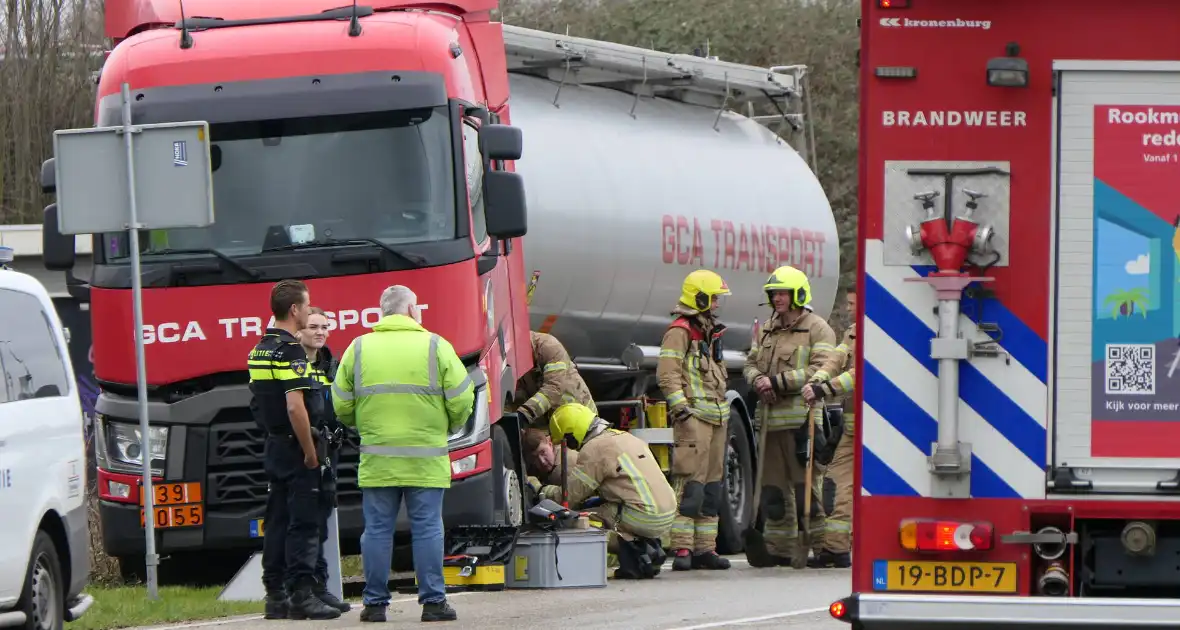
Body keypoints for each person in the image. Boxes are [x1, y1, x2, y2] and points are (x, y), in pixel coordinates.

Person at [332, 285, 475, 623]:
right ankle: (433, 603)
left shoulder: (359, 347)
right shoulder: (435, 346)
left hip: (378, 458)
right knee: (427, 528)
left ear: (383, 312)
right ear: (412, 311)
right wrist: (448, 426)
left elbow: (340, 402)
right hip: (426, 457)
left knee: (377, 530)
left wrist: (362, 424)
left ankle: (375, 604)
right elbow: (462, 398)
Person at [250, 280, 341, 621]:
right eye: (307, 306)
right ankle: (302, 594)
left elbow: (259, 401)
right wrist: (310, 452)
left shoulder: (260, 348)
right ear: (294, 310)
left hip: (273, 445)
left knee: (276, 520)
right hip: (295, 446)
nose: (308, 310)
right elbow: (295, 407)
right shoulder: (290, 351)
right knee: (302, 522)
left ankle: (275, 595)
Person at [742, 265, 842, 568]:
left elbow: (822, 369)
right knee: (773, 490)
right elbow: (750, 363)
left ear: (798, 294)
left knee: (805, 489)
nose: (777, 299)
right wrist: (758, 380)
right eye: (773, 294)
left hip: (803, 422)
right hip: (770, 422)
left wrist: (778, 383)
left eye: (783, 293)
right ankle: (777, 547)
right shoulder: (767, 328)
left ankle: (819, 546)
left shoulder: (818, 328)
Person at [536, 403, 676, 579]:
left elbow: (569, 497)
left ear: (571, 435)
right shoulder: (625, 437)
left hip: (644, 516)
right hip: (667, 512)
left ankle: (635, 550)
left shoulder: (594, 449)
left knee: (576, 520)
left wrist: (541, 490)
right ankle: (646, 545)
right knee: (599, 507)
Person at [656, 269, 733, 572]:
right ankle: (683, 548)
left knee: (712, 486)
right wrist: (682, 410)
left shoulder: (711, 331)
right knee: (690, 484)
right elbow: (667, 374)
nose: (716, 304)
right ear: (699, 297)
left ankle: (705, 549)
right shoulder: (680, 330)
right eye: (713, 298)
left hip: (716, 417)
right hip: (694, 418)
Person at [296, 307, 351, 612]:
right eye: (314, 326)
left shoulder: (334, 366)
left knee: (323, 519)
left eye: (325, 327)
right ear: (299, 331)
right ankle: (309, 589)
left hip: (331, 452)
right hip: (305, 452)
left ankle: (322, 585)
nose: (320, 332)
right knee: (307, 521)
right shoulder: (293, 366)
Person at [808, 289, 856, 569]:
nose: (848, 309)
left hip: (878, 432)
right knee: (836, 482)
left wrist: (825, 388)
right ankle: (835, 548)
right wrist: (816, 380)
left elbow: (861, 370)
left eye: (852, 304)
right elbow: (835, 361)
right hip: (852, 430)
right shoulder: (852, 332)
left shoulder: (880, 330)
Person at [512, 331, 597, 428]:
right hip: (555, 421)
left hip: (580, 415)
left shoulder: (549, 346)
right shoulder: (518, 355)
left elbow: (554, 387)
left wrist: (524, 414)